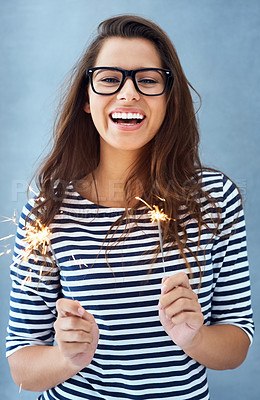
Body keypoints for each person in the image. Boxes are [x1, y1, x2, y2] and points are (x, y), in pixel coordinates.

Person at [6, 14, 254, 400]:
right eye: (109, 79)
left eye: (148, 80)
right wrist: (67, 358)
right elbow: (22, 367)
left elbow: (237, 345)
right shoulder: (46, 214)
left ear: (169, 100)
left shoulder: (214, 199)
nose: (128, 94)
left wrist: (197, 336)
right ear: (86, 100)